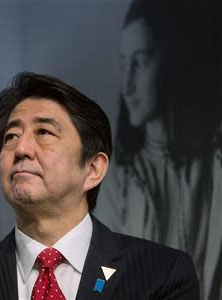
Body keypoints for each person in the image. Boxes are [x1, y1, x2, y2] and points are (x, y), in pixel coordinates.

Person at [0, 72, 199, 300]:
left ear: (93, 169)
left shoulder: (162, 274)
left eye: (44, 132)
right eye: (11, 136)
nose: (21, 148)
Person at [93, 0, 221, 298]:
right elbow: (102, 272)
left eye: (141, 62)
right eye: (124, 64)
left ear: (173, 63)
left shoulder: (214, 163)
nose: (127, 85)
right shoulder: (116, 176)